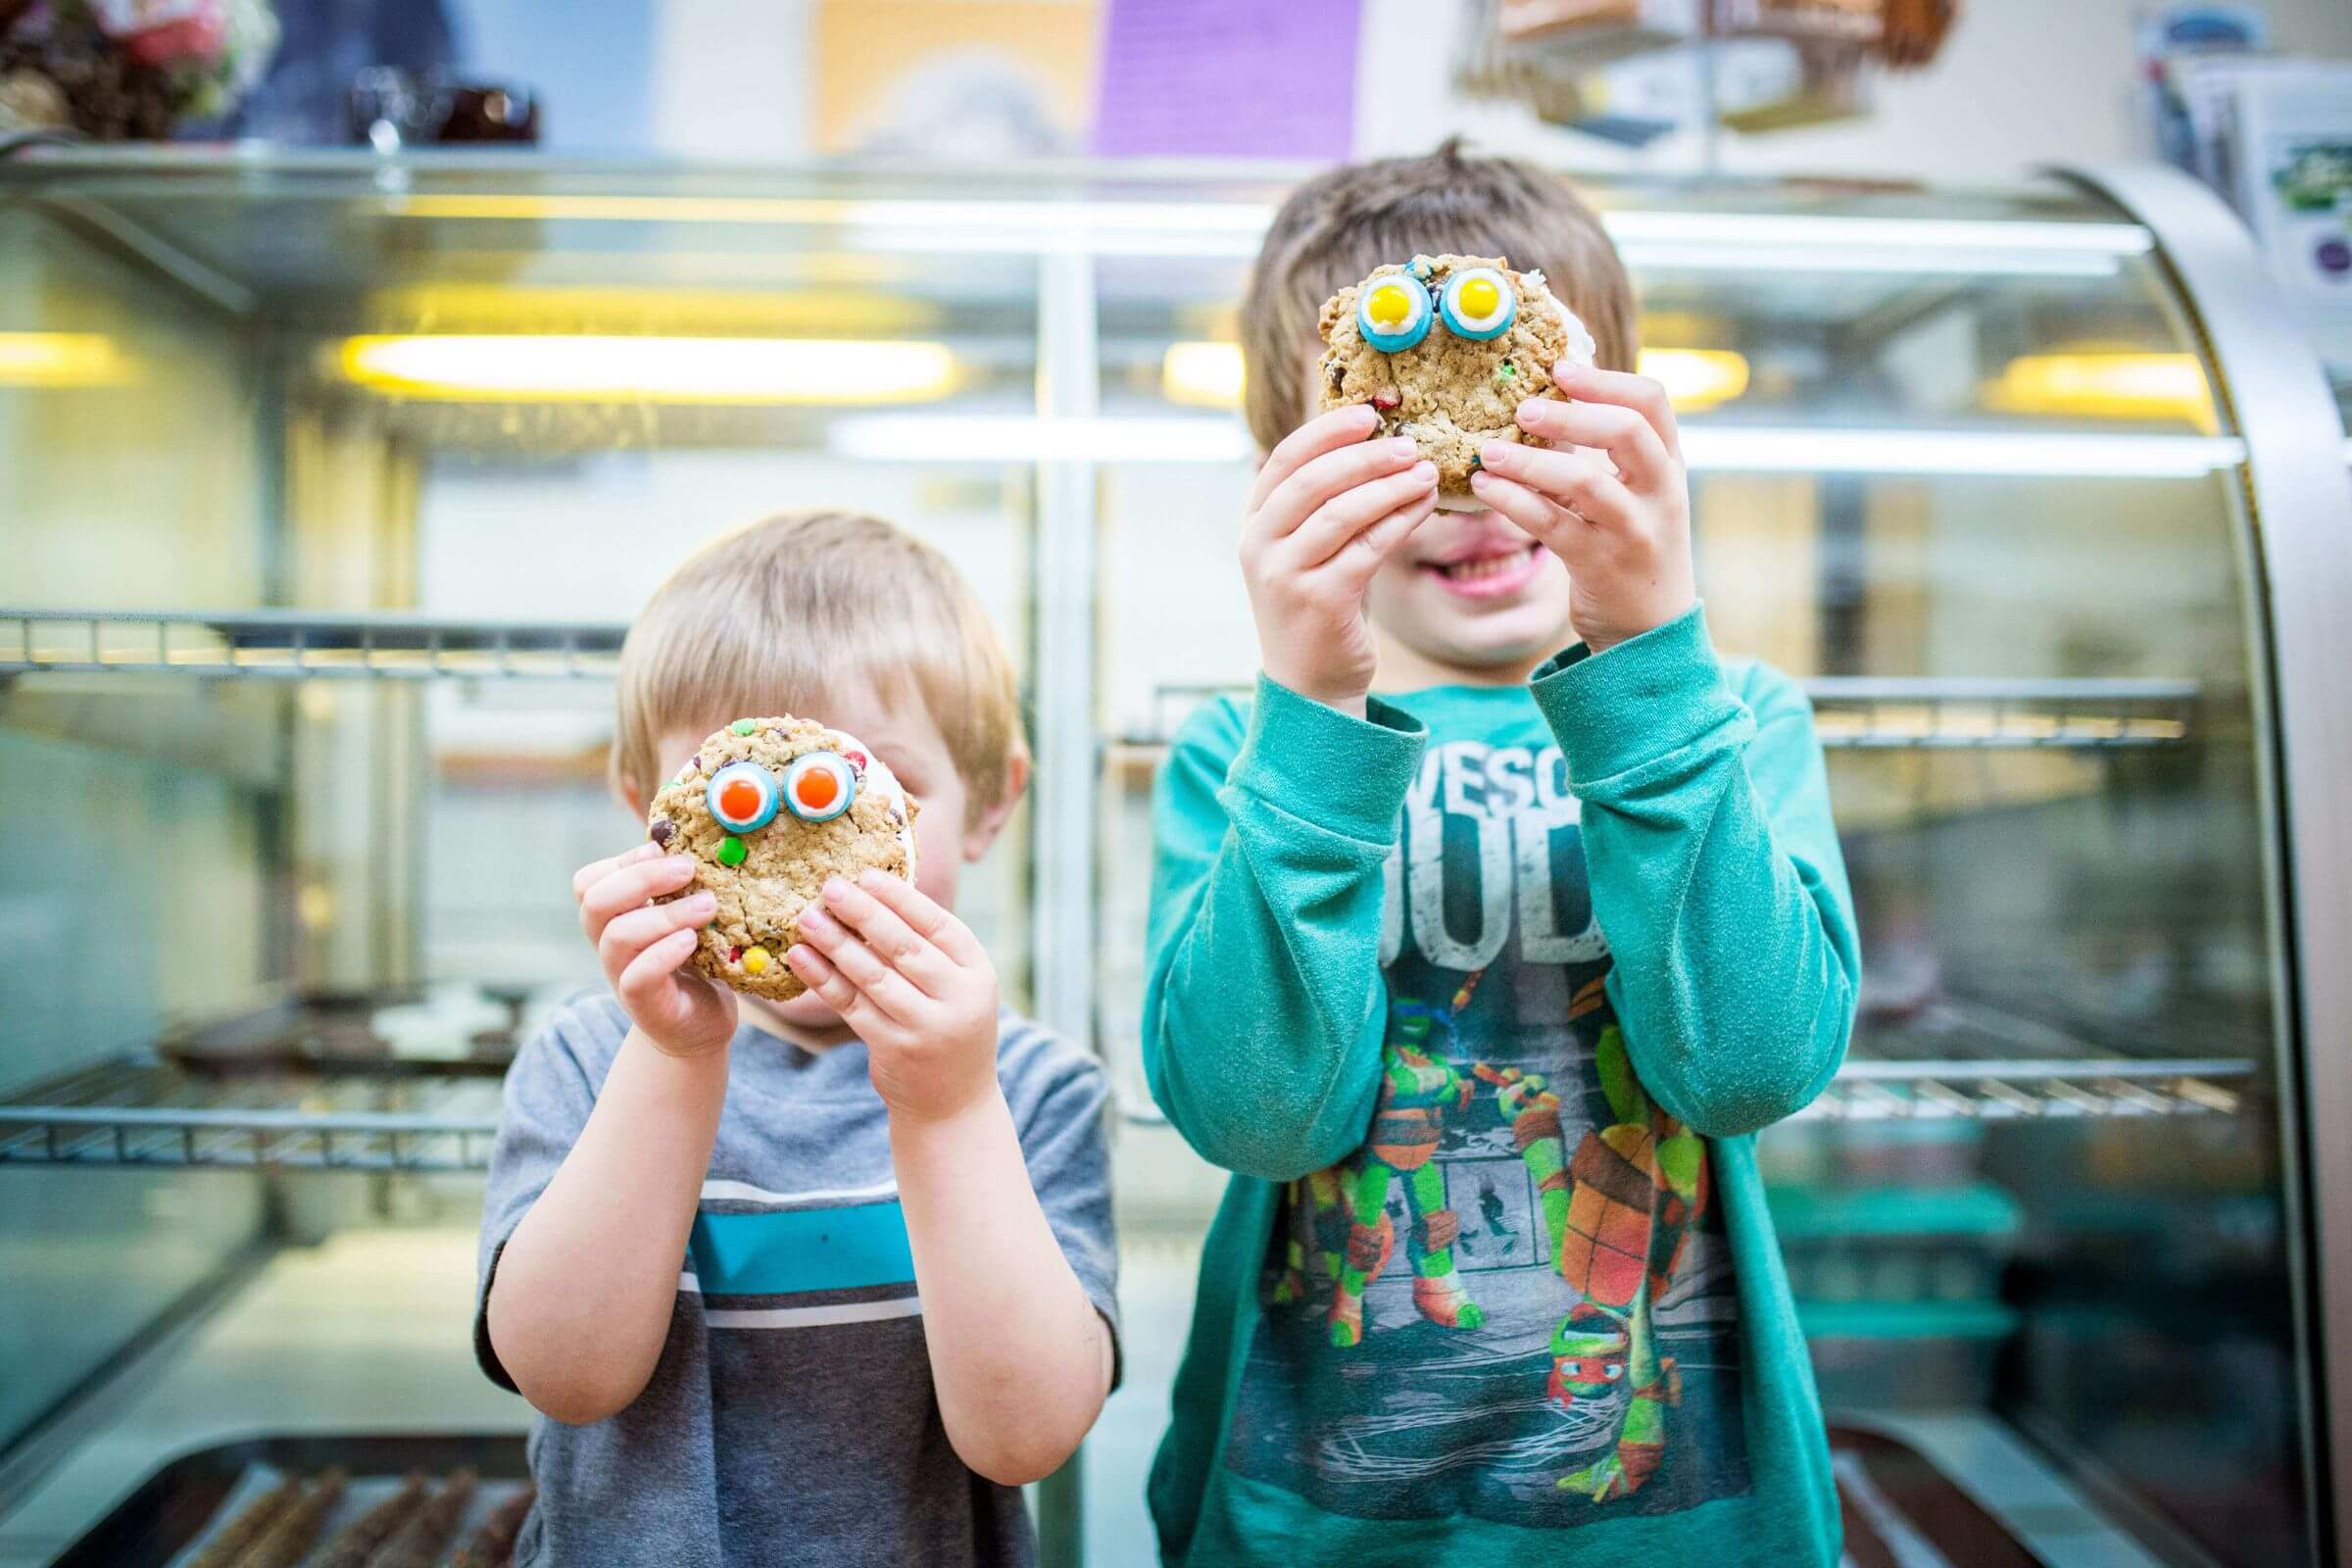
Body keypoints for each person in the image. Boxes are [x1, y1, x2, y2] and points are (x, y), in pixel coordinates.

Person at [1144, 141, 1861, 1566]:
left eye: (1528, 410)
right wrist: (1314, 712)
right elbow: (1256, 1120)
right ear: (1279, 467)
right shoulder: (1242, 751)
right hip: (1310, 1522)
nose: (1463, 478)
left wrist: (1652, 653)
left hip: (1679, 1525)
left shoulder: (1735, 721)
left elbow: (1748, 1070)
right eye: (1381, 429)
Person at [475, 511, 1118, 1568]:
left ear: (989, 804)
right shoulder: (588, 1061)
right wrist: (674, 1057)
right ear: (649, 809)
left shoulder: (1030, 1089)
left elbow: (1026, 1438)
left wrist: (946, 1105)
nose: (802, 865)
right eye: (742, 807)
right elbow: (567, 1375)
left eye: (884, 793)